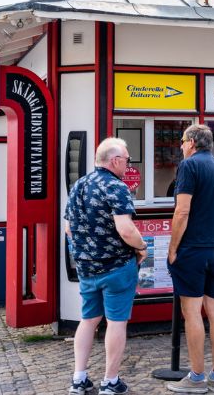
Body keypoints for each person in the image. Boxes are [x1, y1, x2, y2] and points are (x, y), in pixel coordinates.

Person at [64, 137, 148, 395]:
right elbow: (126, 229)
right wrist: (142, 247)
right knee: (116, 322)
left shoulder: (79, 185)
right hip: (116, 267)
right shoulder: (117, 187)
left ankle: (79, 379)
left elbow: (68, 228)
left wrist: (85, 252)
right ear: (115, 161)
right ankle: (110, 382)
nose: (128, 164)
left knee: (88, 320)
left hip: (87, 268)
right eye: (127, 159)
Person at [166, 124, 214, 394]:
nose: (181, 146)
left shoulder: (189, 167)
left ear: (192, 142)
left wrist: (173, 249)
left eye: (183, 141)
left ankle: (196, 377)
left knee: (192, 312)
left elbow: (181, 211)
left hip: (192, 248)